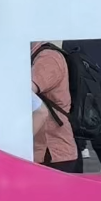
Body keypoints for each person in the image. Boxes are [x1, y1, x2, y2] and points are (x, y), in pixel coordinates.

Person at [62, 39, 101, 173]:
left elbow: (66, 66)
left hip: (77, 94)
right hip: (99, 93)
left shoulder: (70, 40)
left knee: (76, 141)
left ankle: (77, 180)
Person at [31, 41, 82, 173]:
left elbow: (26, 91)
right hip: (48, 151)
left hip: (52, 151)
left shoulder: (47, 58)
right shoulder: (38, 56)